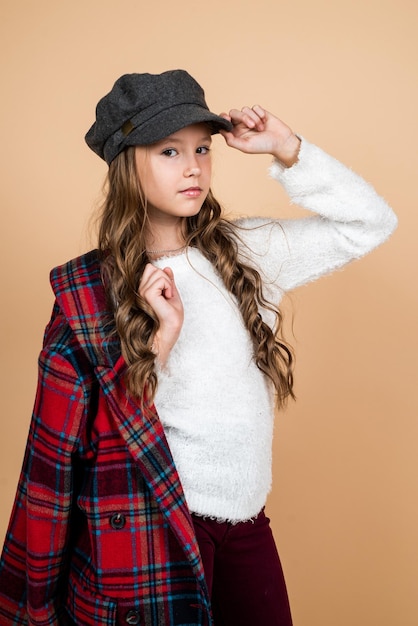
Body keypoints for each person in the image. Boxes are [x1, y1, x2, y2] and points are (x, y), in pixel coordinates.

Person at [0, 70, 397, 626]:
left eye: (202, 149)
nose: (193, 167)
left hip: (246, 522)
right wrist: (159, 343)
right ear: (127, 164)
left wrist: (289, 150)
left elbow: (370, 223)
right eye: (169, 150)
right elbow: (68, 450)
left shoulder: (248, 251)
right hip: (154, 526)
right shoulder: (91, 291)